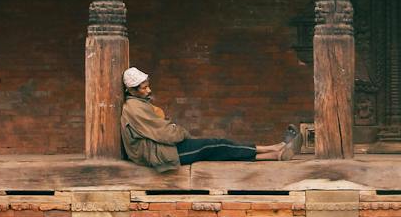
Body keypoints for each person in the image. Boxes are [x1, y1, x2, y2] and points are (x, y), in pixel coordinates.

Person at [119, 67, 298, 171]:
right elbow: (166, 133)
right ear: (132, 90)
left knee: (217, 148)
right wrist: (183, 132)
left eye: (148, 87)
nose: (148, 91)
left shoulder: (139, 103)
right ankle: (274, 150)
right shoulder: (134, 108)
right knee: (216, 145)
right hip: (160, 154)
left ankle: (274, 152)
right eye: (143, 88)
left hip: (162, 149)